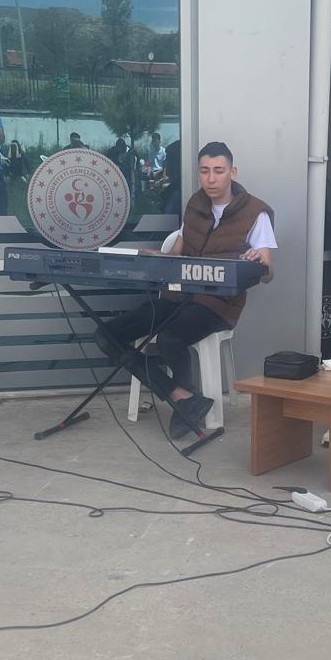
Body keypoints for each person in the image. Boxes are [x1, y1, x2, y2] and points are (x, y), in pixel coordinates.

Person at [97, 141, 274, 439]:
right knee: (106, 334)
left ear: (232, 172)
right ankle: (181, 396)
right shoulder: (195, 205)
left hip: (218, 305)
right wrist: (154, 258)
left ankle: (183, 400)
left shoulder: (257, 212)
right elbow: (176, 257)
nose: (211, 178)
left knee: (170, 337)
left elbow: (268, 273)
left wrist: (260, 261)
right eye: (204, 171)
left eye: (218, 170)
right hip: (177, 297)